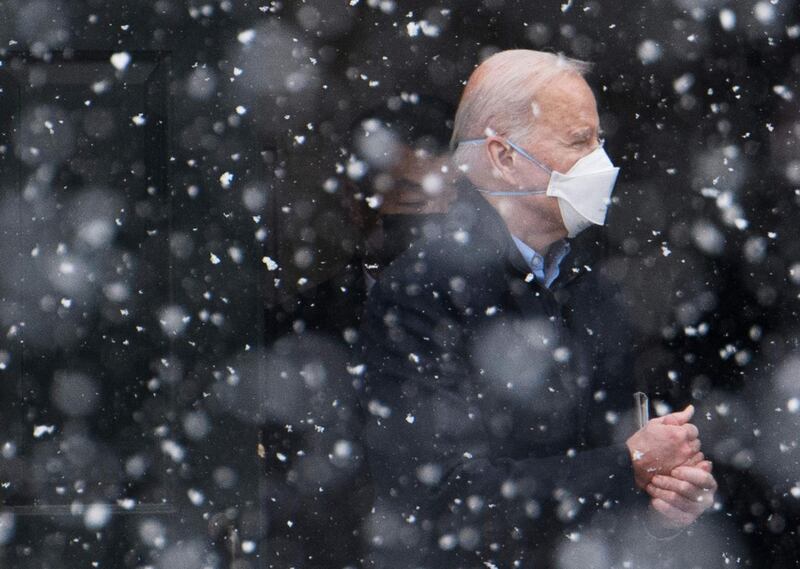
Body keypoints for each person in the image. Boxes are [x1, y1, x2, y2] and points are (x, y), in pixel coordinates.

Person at [358, 50, 717, 568]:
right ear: (502, 156)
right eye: (579, 141)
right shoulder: (423, 290)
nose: (601, 161)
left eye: (599, 140)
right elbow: (437, 499)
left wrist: (664, 504)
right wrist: (627, 466)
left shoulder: (591, 282)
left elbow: (612, 466)